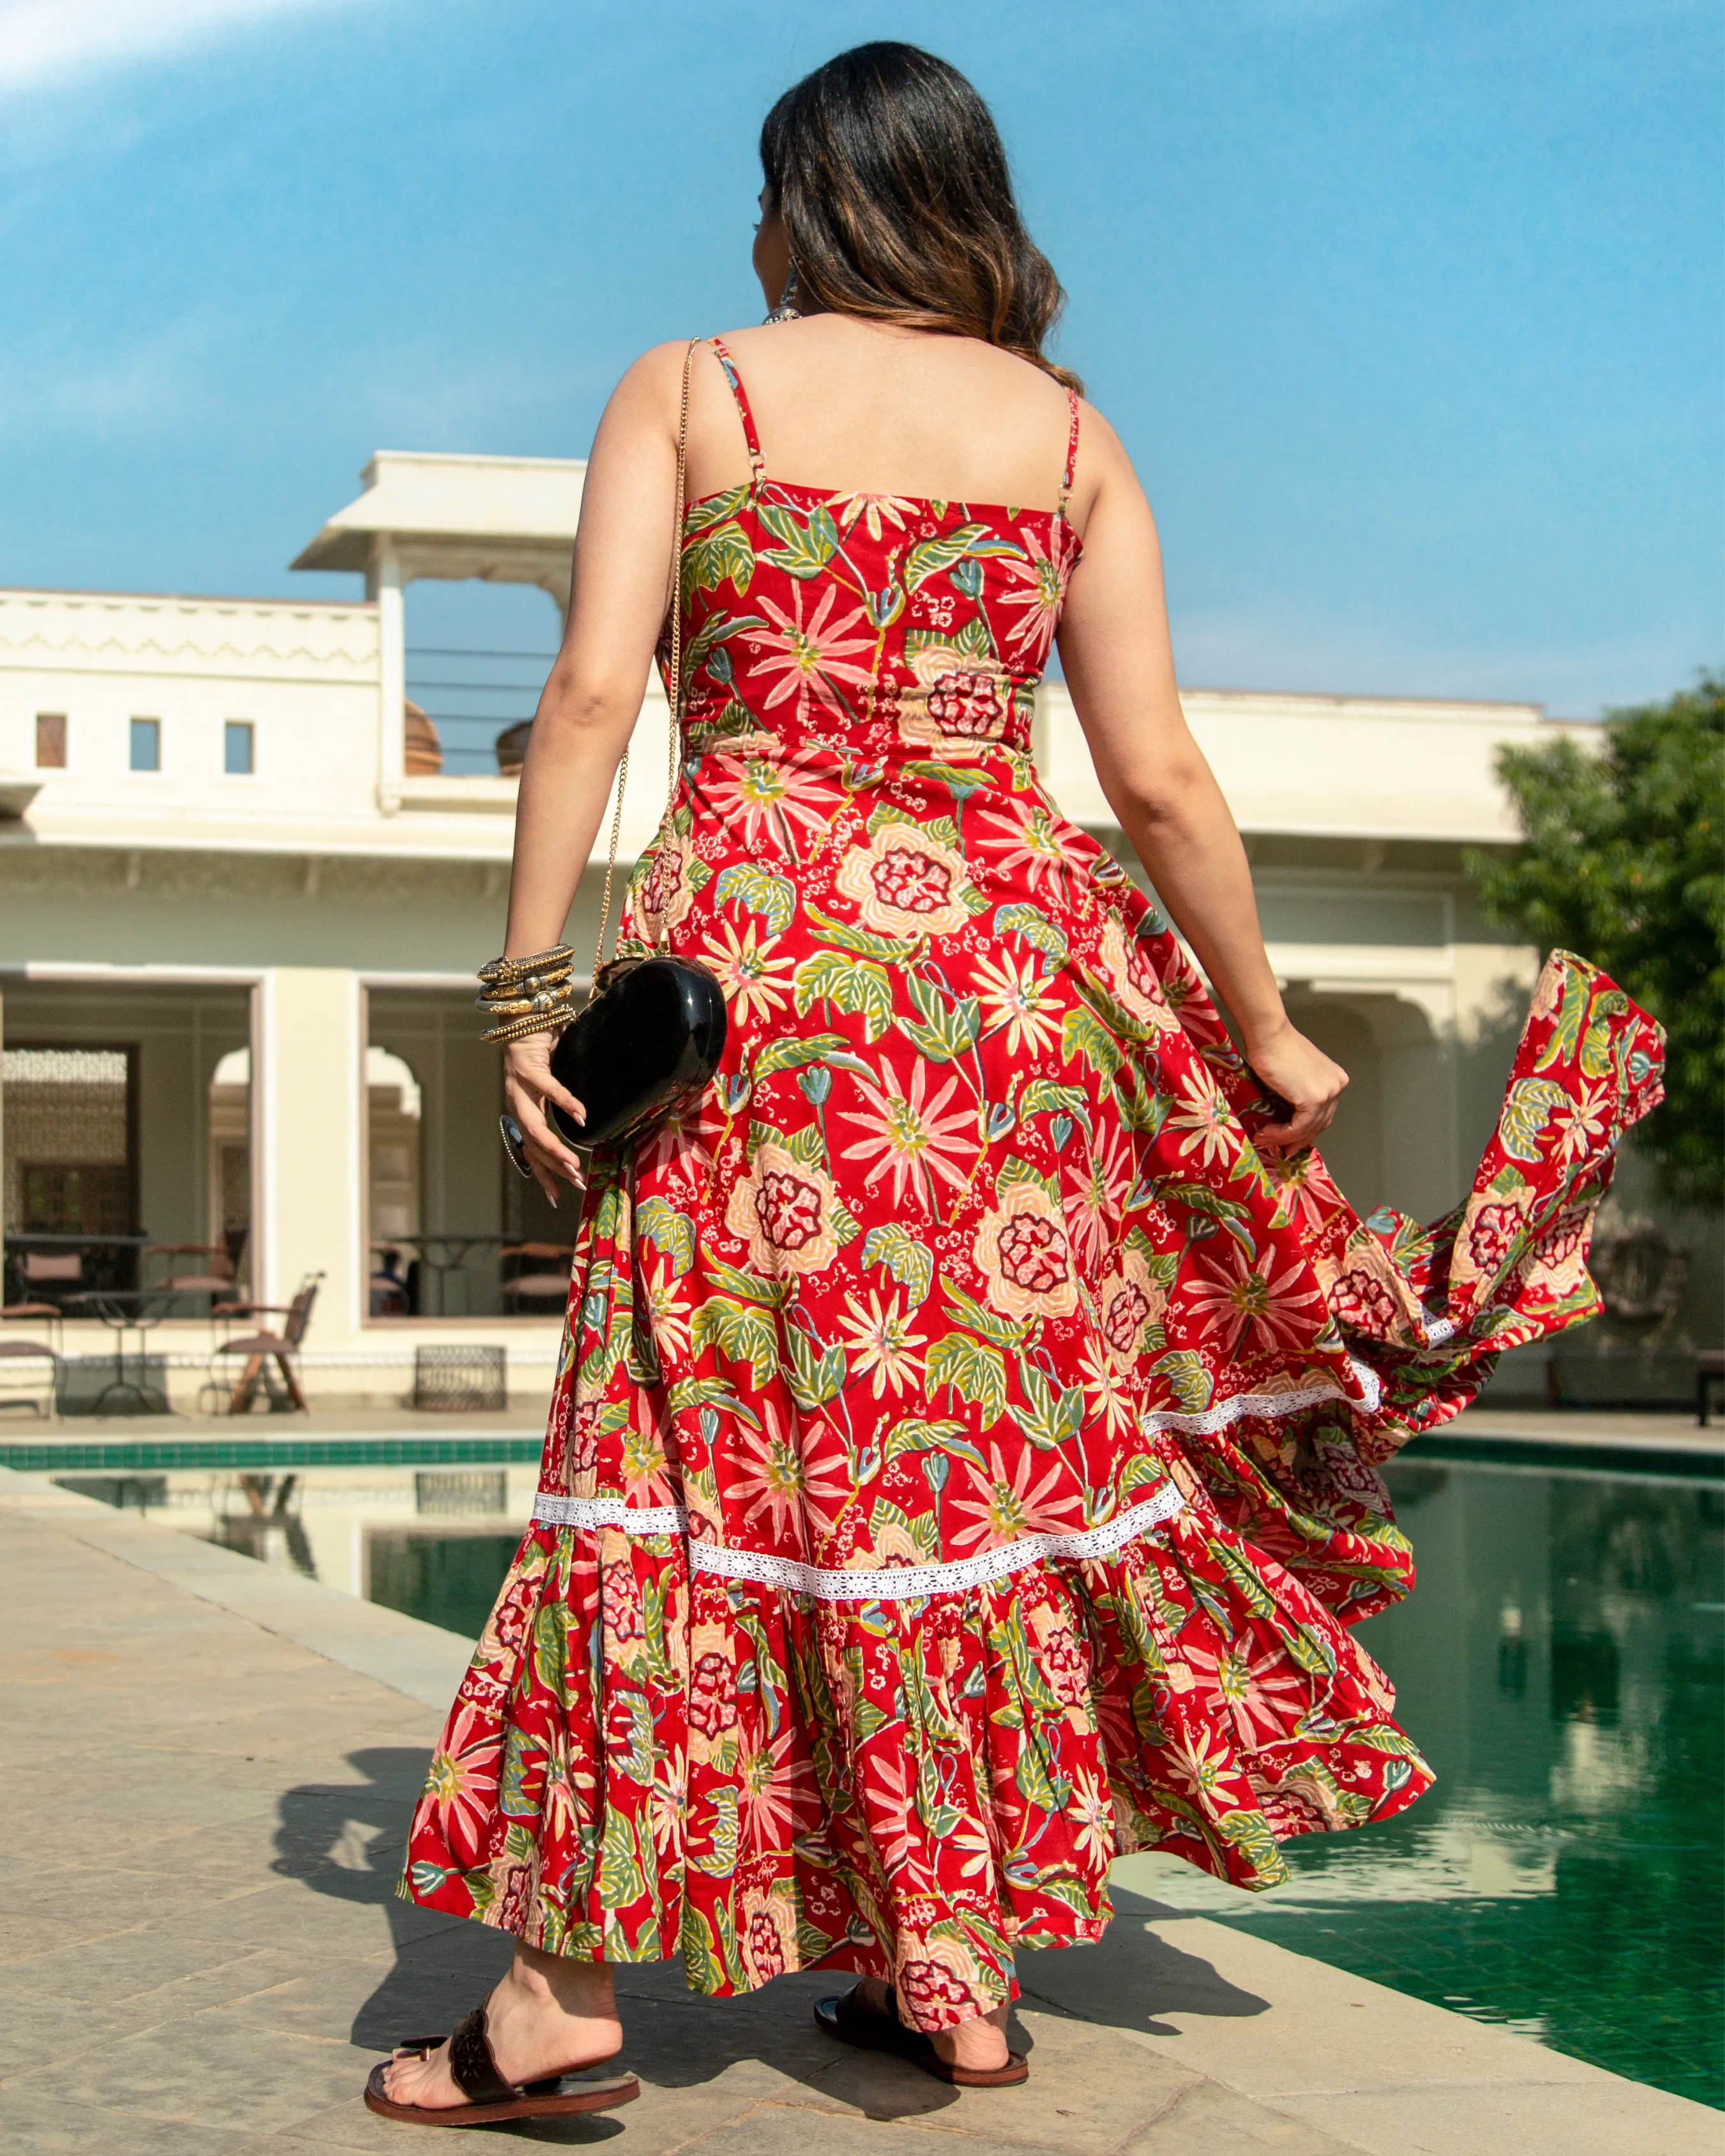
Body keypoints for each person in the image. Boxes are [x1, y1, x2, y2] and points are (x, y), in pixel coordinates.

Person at [369, 41, 1662, 2127]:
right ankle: (945, 1977)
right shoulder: (1068, 439)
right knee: (954, 1466)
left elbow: (593, 690)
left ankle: (552, 2000)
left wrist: (529, 991)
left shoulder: (697, 386)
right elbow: (1153, 775)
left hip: (764, 997)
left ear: (810, 198)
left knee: (692, 1462)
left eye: (765, 195)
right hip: (999, 1021)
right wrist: (1257, 1029)